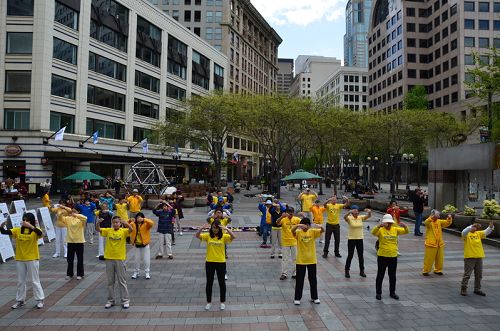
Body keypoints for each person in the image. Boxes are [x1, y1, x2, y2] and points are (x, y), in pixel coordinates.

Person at [0, 213, 45, 309]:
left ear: (31, 221)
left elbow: (40, 234)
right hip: (20, 259)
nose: (25, 222)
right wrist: (1, 225)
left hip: (32, 259)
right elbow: (4, 232)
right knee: (21, 281)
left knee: (35, 281)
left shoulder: (35, 231)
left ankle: (40, 300)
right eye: (24, 220)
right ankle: (20, 300)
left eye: (27, 220)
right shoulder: (18, 230)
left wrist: (31, 226)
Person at [195, 220, 235, 311]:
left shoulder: (223, 237)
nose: (215, 229)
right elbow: (197, 236)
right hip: (209, 262)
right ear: (211, 228)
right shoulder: (208, 236)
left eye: (217, 228)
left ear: (219, 228)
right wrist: (201, 228)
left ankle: (222, 302)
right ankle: (208, 302)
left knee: (222, 283)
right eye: (213, 228)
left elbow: (233, 237)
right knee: (209, 283)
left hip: (221, 262)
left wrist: (226, 229)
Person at [96, 215, 133, 309]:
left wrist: (126, 224)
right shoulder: (108, 231)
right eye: (114, 222)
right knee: (110, 281)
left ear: (120, 224)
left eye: (117, 222)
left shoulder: (123, 231)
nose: (116, 224)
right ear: (112, 223)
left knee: (122, 281)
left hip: (120, 259)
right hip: (109, 258)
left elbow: (131, 230)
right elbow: (98, 230)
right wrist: (98, 223)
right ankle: (110, 300)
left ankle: (125, 300)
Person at [371, 214, 409, 300]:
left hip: (393, 256)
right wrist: (378, 225)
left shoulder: (395, 229)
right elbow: (373, 232)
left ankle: (392, 292)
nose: (389, 224)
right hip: (382, 256)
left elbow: (406, 231)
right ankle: (378, 292)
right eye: (387, 223)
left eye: (390, 223)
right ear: (384, 222)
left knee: (392, 275)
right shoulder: (380, 230)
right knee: (380, 275)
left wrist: (405, 226)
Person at [292, 217, 323, 305]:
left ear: (309, 225)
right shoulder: (298, 232)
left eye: (306, 225)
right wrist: (298, 225)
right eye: (303, 225)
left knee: (313, 280)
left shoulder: (312, 231)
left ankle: (315, 297)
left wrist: (320, 226)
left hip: (312, 260)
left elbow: (322, 231)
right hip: (301, 260)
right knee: (299, 280)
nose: (305, 227)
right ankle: (297, 298)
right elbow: (292, 231)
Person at [460, 222, 494, 296]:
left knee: (479, 274)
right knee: (467, 274)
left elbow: (486, 232)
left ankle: (477, 289)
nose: (474, 228)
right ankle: (463, 288)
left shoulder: (478, 233)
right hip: (469, 257)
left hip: (479, 256)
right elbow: (464, 231)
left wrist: (491, 227)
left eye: (475, 227)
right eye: (473, 227)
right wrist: (471, 226)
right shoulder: (466, 235)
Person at [344, 206, 372, 278]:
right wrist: (348, 212)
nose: (356, 211)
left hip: (360, 238)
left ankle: (362, 271)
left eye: (357, 210)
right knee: (350, 255)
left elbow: (369, 216)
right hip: (351, 239)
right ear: (352, 211)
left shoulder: (360, 217)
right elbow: (344, 217)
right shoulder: (350, 218)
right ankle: (347, 270)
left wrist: (369, 211)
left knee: (360, 255)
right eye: (354, 210)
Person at [422, 210, 452, 276]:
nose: (439, 215)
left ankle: (438, 270)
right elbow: (426, 222)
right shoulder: (429, 222)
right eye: (437, 214)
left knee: (440, 258)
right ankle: (426, 271)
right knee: (429, 258)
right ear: (433, 215)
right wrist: (432, 218)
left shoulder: (439, 221)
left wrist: (449, 218)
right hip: (431, 243)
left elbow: (447, 223)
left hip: (439, 243)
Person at [60, 207, 87, 280]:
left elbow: (85, 218)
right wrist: (61, 213)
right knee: (70, 259)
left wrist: (76, 215)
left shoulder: (81, 219)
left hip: (79, 241)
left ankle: (80, 274)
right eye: (72, 211)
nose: (73, 213)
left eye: (75, 211)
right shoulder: (68, 219)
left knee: (80, 259)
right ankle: (69, 274)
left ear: (78, 212)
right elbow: (61, 218)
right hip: (70, 241)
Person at [276, 207, 300, 280]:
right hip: (285, 241)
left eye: (292, 213)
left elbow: (305, 223)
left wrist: (303, 216)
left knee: (295, 258)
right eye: (289, 213)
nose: (290, 214)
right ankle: (284, 273)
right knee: (285, 258)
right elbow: (277, 223)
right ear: (286, 213)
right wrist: (281, 216)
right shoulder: (283, 219)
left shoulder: (296, 219)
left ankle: (295, 273)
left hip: (294, 241)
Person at [129, 212, 154, 279]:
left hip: (145, 245)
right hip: (137, 245)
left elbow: (151, 223)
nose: (139, 219)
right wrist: (130, 220)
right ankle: (136, 272)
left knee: (146, 259)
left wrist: (144, 219)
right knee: (136, 259)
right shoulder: (133, 224)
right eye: (137, 217)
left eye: (140, 217)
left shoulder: (146, 224)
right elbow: (127, 225)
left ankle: (147, 272)